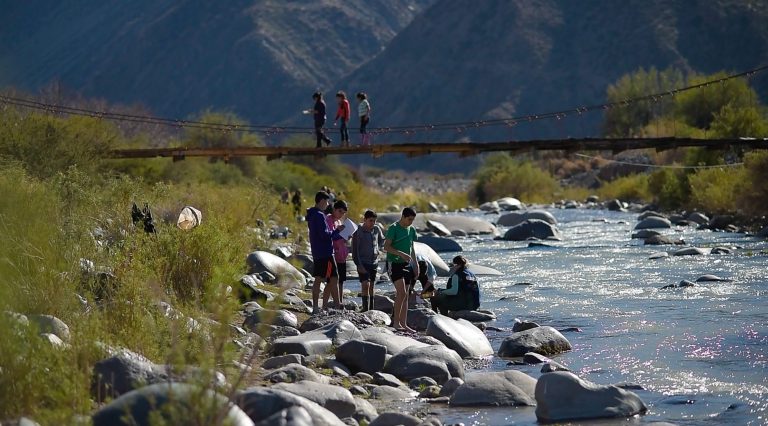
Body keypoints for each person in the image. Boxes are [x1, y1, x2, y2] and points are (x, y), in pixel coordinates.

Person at [306, 191, 345, 313]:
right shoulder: (319, 215)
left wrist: (336, 233)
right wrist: (337, 231)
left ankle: (316, 307)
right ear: (322, 201)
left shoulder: (312, 214)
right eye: (327, 202)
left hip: (317, 251)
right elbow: (324, 235)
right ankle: (336, 305)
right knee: (333, 277)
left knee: (319, 278)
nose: (328, 204)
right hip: (326, 252)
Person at [383, 207, 418, 332]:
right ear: (403, 216)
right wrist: (400, 254)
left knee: (406, 295)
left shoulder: (411, 229)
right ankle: (396, 323)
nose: (411, 222)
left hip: (407, 264)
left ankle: (404, 324)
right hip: (394, 263)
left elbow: (412, 247)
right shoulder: (393, 228)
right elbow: (386, 247)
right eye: (409, 219)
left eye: (412, 220)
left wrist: (416, 264)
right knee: (401, 293)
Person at [352, 209, 385, 312]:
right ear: (364, 220)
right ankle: (365, 308)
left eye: (374, 221)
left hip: (374, 262)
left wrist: (378, 249)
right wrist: (358, 265)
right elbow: (355, 250)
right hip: (363, 262)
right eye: (370, 220)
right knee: (365, 284)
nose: (373, 223)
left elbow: (382, 240)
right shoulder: (358, 232)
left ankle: (371, 308)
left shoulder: (376, 229)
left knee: (372, 286)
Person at [322, 200, 351, 308]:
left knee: (341, 280)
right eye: (340, 211)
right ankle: (325, 305)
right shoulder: (328, 220)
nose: (341, 214)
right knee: (330, 281)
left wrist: (346, 236)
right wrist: (339, 232)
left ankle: (339, 302)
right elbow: (330, 237)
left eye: (343, 213)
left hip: (341, 255)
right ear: (334, 209)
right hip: (331, 255)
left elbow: (340, 238)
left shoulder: (338, 222)